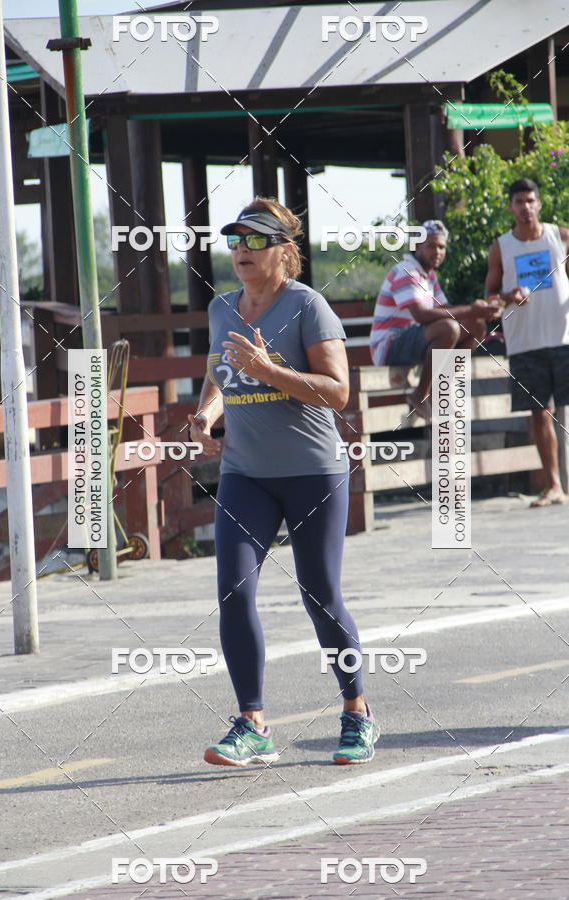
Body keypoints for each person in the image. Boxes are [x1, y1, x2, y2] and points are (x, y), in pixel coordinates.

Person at [188, 197, 379, 767]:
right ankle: (252, 724)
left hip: (312, 472)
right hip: (245, 472)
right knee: (234, 592)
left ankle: (357, 713)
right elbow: (219, 374)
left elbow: (338, 391)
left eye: (253, 241)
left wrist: (268, 370)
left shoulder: (308, 307)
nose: (240, 251)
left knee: (320, 596)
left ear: (284, 252)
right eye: (234, 241)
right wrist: (205, 414)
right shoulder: (223, 309)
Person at [485, 177, 569, 507]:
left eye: (531, 201)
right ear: (510, 207)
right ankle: (553, 486)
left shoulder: (558, 236)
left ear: (539, 204)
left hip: (563, 337)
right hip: (524, 344)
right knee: (539, 413)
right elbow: (489, 300)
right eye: (519, 202)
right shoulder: (501, 247)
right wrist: (507, 295)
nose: (526, 207)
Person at [369, 220, 500, 421]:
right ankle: (419, 396)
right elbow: (421, 315)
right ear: (417, 246)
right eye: (431, 246)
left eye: (441, 247)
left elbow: (444, 310)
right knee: (449, 329)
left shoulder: (429, 276)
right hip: (389, 346)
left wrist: (478, 312)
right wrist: (471, 309)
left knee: (477, 326)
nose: (437, 251)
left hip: (414, 340)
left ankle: (443, 388)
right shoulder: (406, 271)